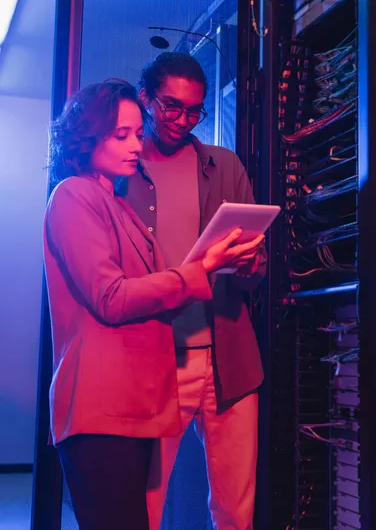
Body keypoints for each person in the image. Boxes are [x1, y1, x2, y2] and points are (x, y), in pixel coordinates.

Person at [43, 78, 264, 530]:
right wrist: (202, 269)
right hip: (101, 407)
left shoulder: (116, 206)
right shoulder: (73, 195)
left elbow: (158, 287)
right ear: (87, 137)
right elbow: (112, 297)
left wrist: (220, 261)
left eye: (136, 134)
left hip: (129, 403)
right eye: (119, 135)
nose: (134, 145)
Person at [123, 53, 267, 530]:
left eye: (193, 111)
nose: (182, 121)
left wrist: (250, 261)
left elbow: (257, 272)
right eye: (170, 107)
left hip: (228, 356)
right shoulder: (121, 172)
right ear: (145, 98)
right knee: (144, 504)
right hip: (156, 360)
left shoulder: (223, 166)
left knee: (235, 509)